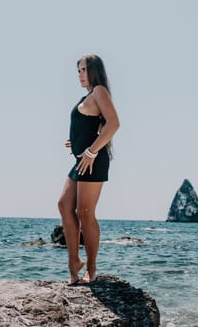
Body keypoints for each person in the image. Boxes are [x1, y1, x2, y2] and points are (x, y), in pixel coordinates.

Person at [58, 54, 120, 284]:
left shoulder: (99, 91)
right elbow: (92, 125)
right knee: (64, 205)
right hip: (81, 160)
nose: (80, 75)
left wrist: (91, 151)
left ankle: (91, 268)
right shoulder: (89, 96)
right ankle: (74, 262)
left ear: (94, 70)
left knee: (85, 213)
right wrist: (75, 142)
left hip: (92, 160)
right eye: (78, 71)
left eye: (83, 70)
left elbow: (114, 123)